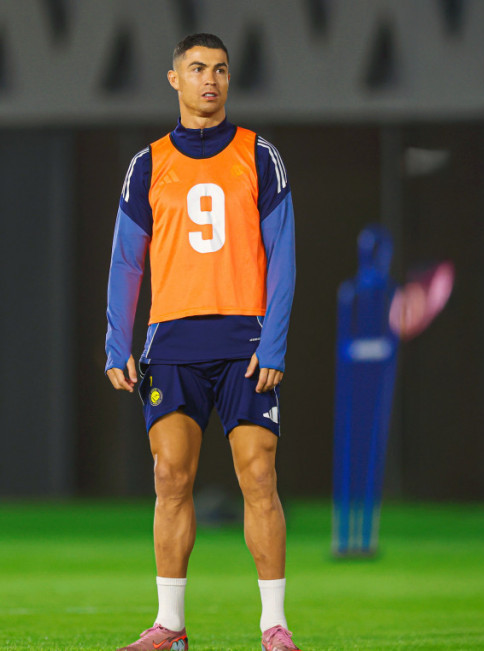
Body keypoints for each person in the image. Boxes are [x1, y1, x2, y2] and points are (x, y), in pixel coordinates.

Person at [105, 34, 299, 651]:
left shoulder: (259, 155)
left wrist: (274, 343)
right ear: (174, 79)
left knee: (259, 475)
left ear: (229, 79)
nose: (209, 80)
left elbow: (283, 256)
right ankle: (171, 626)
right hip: (172, 343)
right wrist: (117, 341)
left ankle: (274, 625)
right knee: (170, 477)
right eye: (196, 69)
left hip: (245, 342)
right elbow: (126, 262)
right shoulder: (148, 163)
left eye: (219, 70)